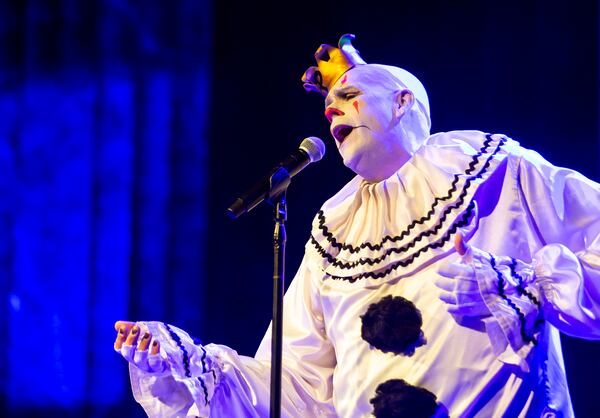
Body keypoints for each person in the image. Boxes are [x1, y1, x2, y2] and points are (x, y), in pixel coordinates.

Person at [114, 34, 600, 417]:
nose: (330, 110)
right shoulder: (334, 231)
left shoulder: (485, 169)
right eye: (330, 103)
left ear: (403, 103)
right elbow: (298, 384)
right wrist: (189, 366)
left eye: (350, 95)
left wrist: (524, 289)